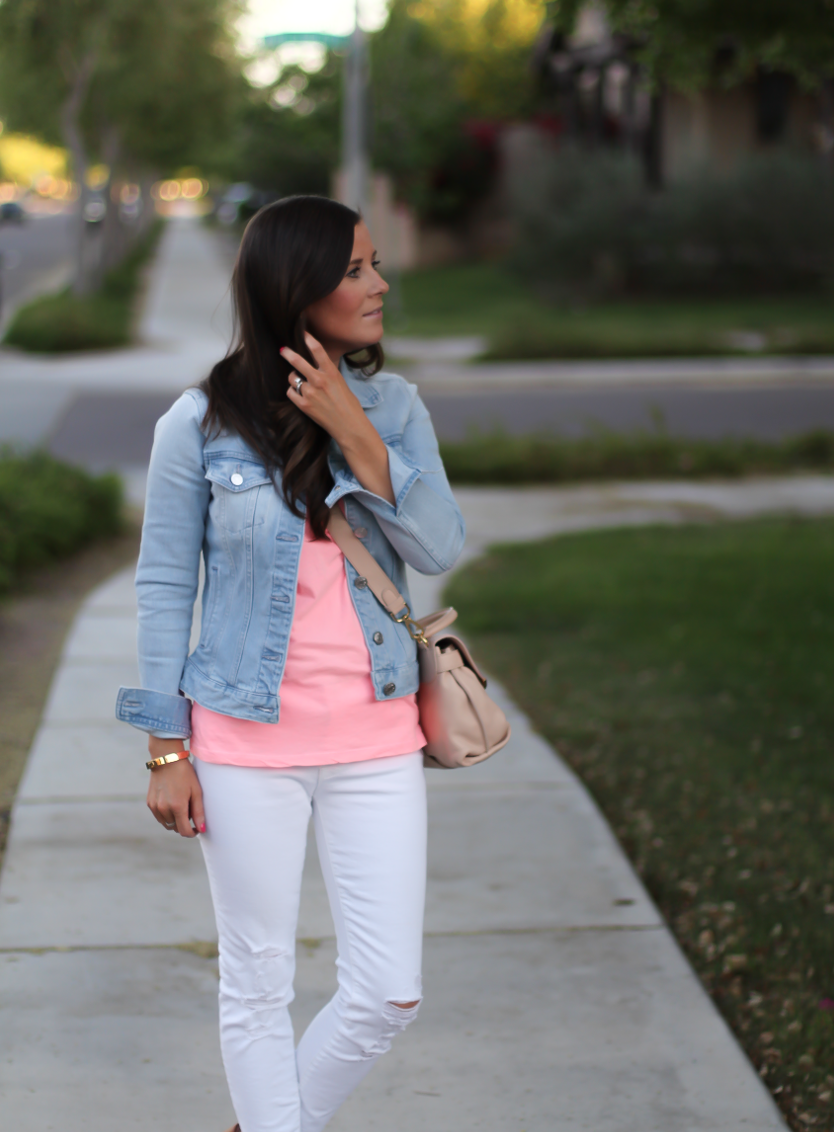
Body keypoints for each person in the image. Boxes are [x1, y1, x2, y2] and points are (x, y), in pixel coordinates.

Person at [115, 195, 465, 1132]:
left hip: (377, 741)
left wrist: (358, 434)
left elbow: (436, 548)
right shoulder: (196, 423)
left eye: (375, 264)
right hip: (241, 743)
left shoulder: (396, 408)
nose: (380, 283)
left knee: (388, 992)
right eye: (356, 269)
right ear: (294, 286)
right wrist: (165, 749)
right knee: (258, 984)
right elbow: (160, 589)